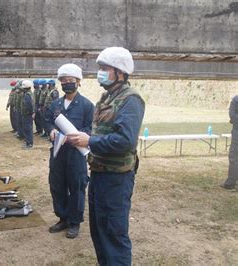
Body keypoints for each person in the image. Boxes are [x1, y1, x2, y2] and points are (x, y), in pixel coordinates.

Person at [68, 47, 145, 265]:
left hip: (116, 179)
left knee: (114, 234)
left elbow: (125, 140)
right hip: (99, 173)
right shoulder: (106, 98)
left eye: (104, 68)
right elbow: (102, 132)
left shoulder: (131, 100)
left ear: (120, 72)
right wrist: (83, 138)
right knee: (99, 231)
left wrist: (89, 141)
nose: (100, 72)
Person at [44, 63, 94, 239]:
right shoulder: (56, 103)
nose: (66, 83)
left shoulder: (87, 105)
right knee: (57, 185)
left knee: (77, 186)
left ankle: (74, 222)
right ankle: (62, 217)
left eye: (70, 80)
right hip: (58, 151)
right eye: (63, 81)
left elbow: (91, 128)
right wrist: (50, 130)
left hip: (76, 153)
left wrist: (82, 135)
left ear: (78, 82)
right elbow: (48, 120)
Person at [222, 95, 238, 190]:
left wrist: (233, 120)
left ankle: (230, 183)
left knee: (233, 158)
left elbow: (233, 117)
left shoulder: (235, 100)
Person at [20, 80, 35, 149]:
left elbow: (29, 105)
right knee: (27, 129)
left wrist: (31, 113)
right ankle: (28, 142)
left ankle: (29, 144)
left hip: (27, 115)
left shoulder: (27, 95)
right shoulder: (29, 94)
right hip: (27, 114)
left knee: (28, 129)